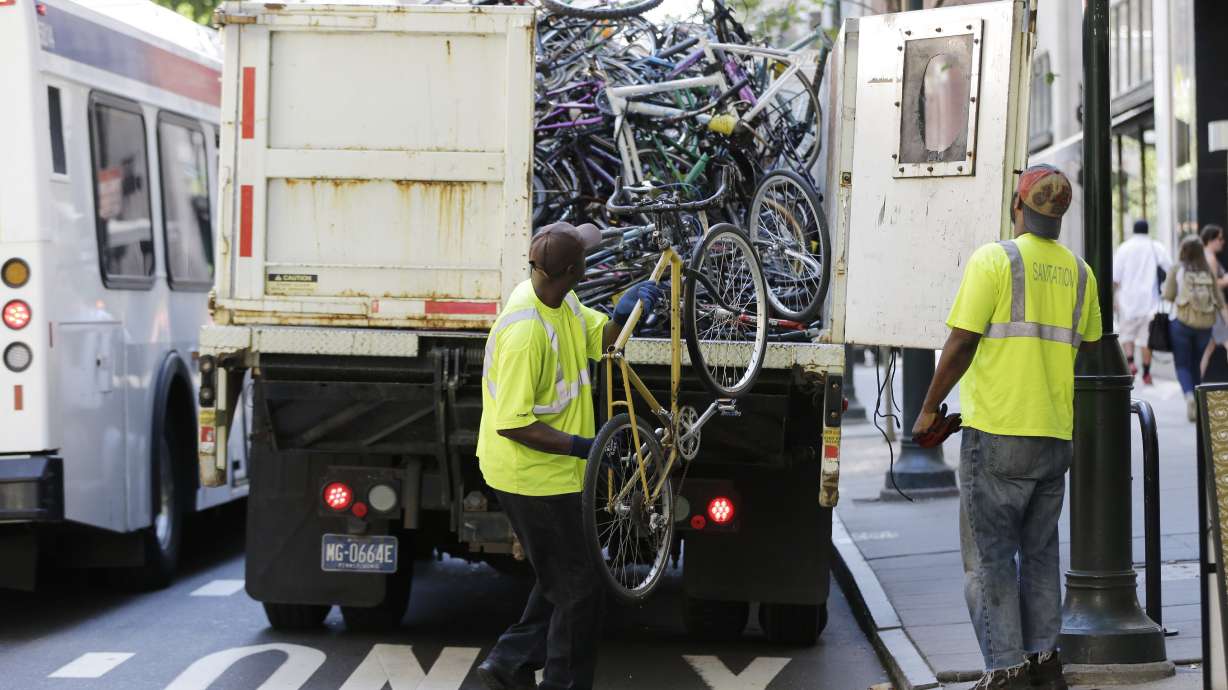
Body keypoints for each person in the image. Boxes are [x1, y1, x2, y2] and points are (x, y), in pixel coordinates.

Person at [912, 165, 1102, 690]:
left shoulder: (994, 260)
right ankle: (1044, 663)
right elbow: (1087, 347)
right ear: (1058, 215)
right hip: (1053, 434)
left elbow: (961, 342)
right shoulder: (1082, 274)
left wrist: (929, 408)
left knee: (990, 560)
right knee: (1041, 554)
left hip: (996, 433)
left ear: (1018, 207)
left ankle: (1006, 671)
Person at [474, 221, 660, 690]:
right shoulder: (525, 332)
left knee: (563, 576)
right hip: (528, 477)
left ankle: (508, 663)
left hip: (557, 473)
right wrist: (588, 447)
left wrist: (625, 312)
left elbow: (604, 342)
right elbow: (512, 423)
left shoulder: (562, 301)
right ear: (574, 270)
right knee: (580, 589)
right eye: (586, 256)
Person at [1164, 234, 1228, 421]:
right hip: (1204, 325)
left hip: (1181, 323)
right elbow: (1218, 300)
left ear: (1183, 250)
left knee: (1182, 364)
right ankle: (1199, 400)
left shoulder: (1177, 268)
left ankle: (1189, 396)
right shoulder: (1207, 271)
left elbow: (1168, 295)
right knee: (1196, 363)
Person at [1112, 219, 1170, 385]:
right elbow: (1169, 267)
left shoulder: (1124, 247)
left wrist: (1114, 298)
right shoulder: (1156, 247)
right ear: (1147, 230)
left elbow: (1115, 277)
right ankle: (1146, 373)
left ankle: (1130, 363)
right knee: (1146, 339)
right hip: (1149, 302)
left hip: (1127, 300)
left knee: (1127, 336)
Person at [1199, 225, 1228, 377]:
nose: (1222, 242)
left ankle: (1195, 384)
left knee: (1207, 349)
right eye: (1219, 238)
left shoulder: (1203, 256)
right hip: (1215, 308)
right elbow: (1213, 285)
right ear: (1211, 240)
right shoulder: (1210, 258)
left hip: (1209, 308)